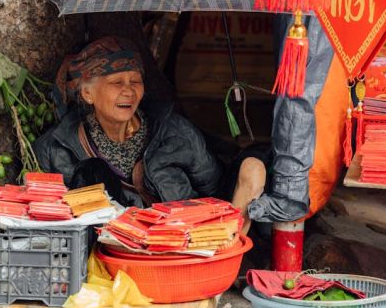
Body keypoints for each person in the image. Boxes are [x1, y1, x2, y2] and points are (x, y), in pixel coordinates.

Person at [34, 37, 266, 233]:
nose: (129, 90)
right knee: (92, 172)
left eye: (135, 81)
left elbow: (216, 192)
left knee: (253, 166)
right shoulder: (56, 148)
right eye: (117, 82)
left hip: (183, 242)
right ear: (87, 93)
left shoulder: (175, 132)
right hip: (111, 253)